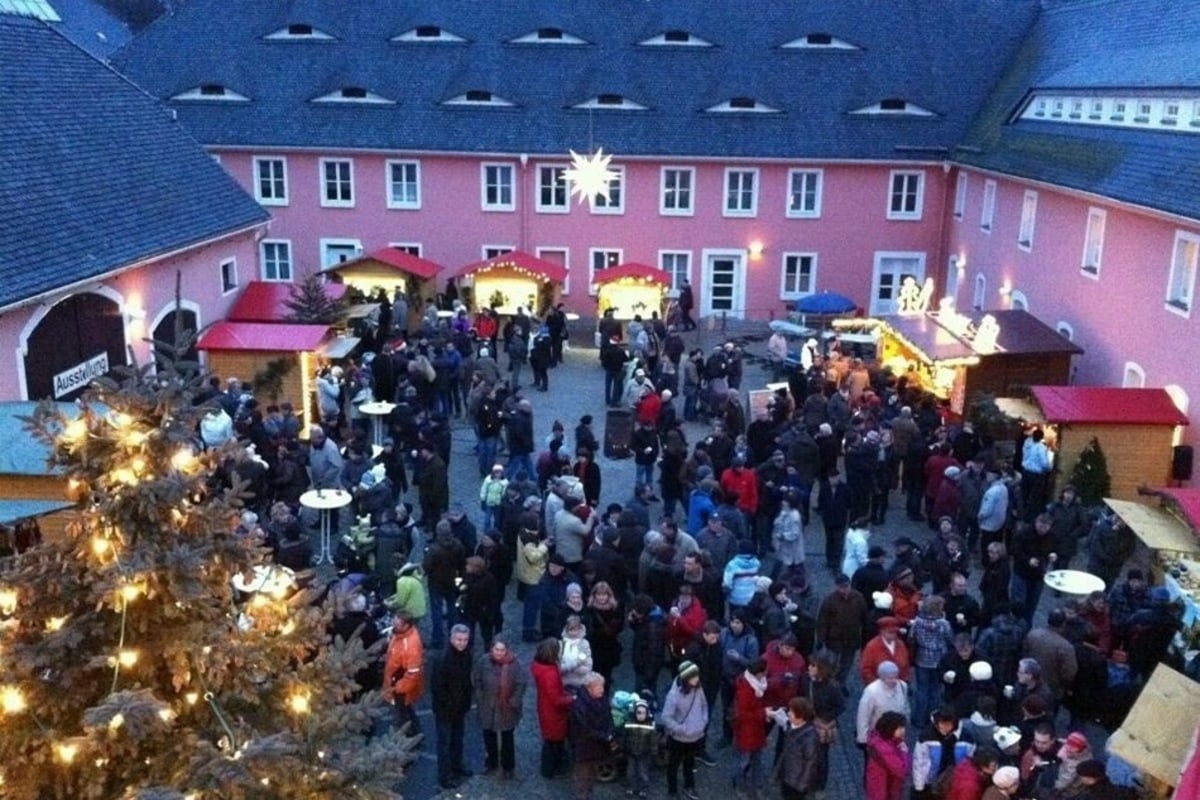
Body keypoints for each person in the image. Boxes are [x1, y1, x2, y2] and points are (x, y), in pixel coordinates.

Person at [471, 635, 528, 779]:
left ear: (507, 650)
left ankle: (508, 766)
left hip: (506, 707)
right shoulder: (483, 661)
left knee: (507, 737)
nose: (499, 653)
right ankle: (492, 763)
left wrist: (515, 700)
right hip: (487, 706)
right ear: (492, 649)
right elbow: (476, 679)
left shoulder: (515, 664)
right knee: (489, 736)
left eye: (502, 650)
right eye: (497, 649)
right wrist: (479, 697)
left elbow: (521, 683)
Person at [431, 624, 474, 790]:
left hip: (460, 706)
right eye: (459, 639)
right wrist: (447, 706)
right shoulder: (442, 659)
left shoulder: (467, 655)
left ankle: (457, 765)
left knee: (458, 740)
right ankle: (445, 776)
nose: (462, 643)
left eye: (464, 640)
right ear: (451, 638)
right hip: (445, 710)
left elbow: (466, 682)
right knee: (444, 744)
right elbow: (437, 688)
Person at [662, 660, 710, 800]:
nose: (697, 679)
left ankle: (689, 786)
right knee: (673, 765)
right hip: (679, 738)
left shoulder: (698, 688)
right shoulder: (674, 696)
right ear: (686, 678)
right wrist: (682, 729)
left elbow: (704, 705)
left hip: (695, 736)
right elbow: (666, 717)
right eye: (693, 677)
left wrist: (703, 721)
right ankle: (672, 790)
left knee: (689, 764)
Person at [530, 638, 574, 779]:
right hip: (553, 713)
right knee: (553, 742)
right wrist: (572, 699)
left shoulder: (540, 667)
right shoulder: (550, 673)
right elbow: (556, 699)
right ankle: (550, 770)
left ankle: (551, 768)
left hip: (546, 708)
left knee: (551, 741)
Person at [570, 672, 618, 800]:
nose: (602, 689)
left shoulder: (600, 698)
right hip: (584, 749)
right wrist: (605, 736)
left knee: (590, 779)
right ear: (589, 687)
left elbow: (608, 717)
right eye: (599, 687)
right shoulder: (580, 705)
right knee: (583, 780)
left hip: (595, 747)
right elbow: (584, 729)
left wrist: (610, 732)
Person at [731, 657, 772, 800]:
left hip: (755, 730)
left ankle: (756, 786)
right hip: (746, 732)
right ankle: (739, 786)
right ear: (759, 673)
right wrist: (763, 713)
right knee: (744, 762)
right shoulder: (746, 688)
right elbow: (743, 714)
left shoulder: (757, 685)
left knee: (757, 760)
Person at [381, 611, 424, 737]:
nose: (394, 625)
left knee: (402, 713)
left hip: (402, 686)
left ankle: (410, 737)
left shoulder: (411, 645)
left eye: (397, 624)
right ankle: (415, 733)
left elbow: (413, 672)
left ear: (406, 625)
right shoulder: (400, 635)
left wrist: (399, 687)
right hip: (397, 681)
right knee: (406, 710)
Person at [857, 661, 911, 747]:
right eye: (890, 678)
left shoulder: (902, 686)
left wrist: (905, 724)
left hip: (897, 735)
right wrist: (863, 739)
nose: (894, 681)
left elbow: (906, 706)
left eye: (895, 677)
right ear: (882, 678)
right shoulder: (871, 691)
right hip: (878, 735)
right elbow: (863, 716)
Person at [778, 697, 820, 800]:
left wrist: (801, 785)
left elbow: (810, 763)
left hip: (796, 783)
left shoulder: (810, 738)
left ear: (801, 716)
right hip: (788, 776)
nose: (789, 713)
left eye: (792, 712)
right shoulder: (792, 726)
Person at [865, 711, 910, 800]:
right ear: (891, 729)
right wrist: (904, 752)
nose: (903, 731)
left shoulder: (881, 741)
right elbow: (902, 770)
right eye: (900, 728)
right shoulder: (884, 748)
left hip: (884, 786)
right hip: (884, 789)